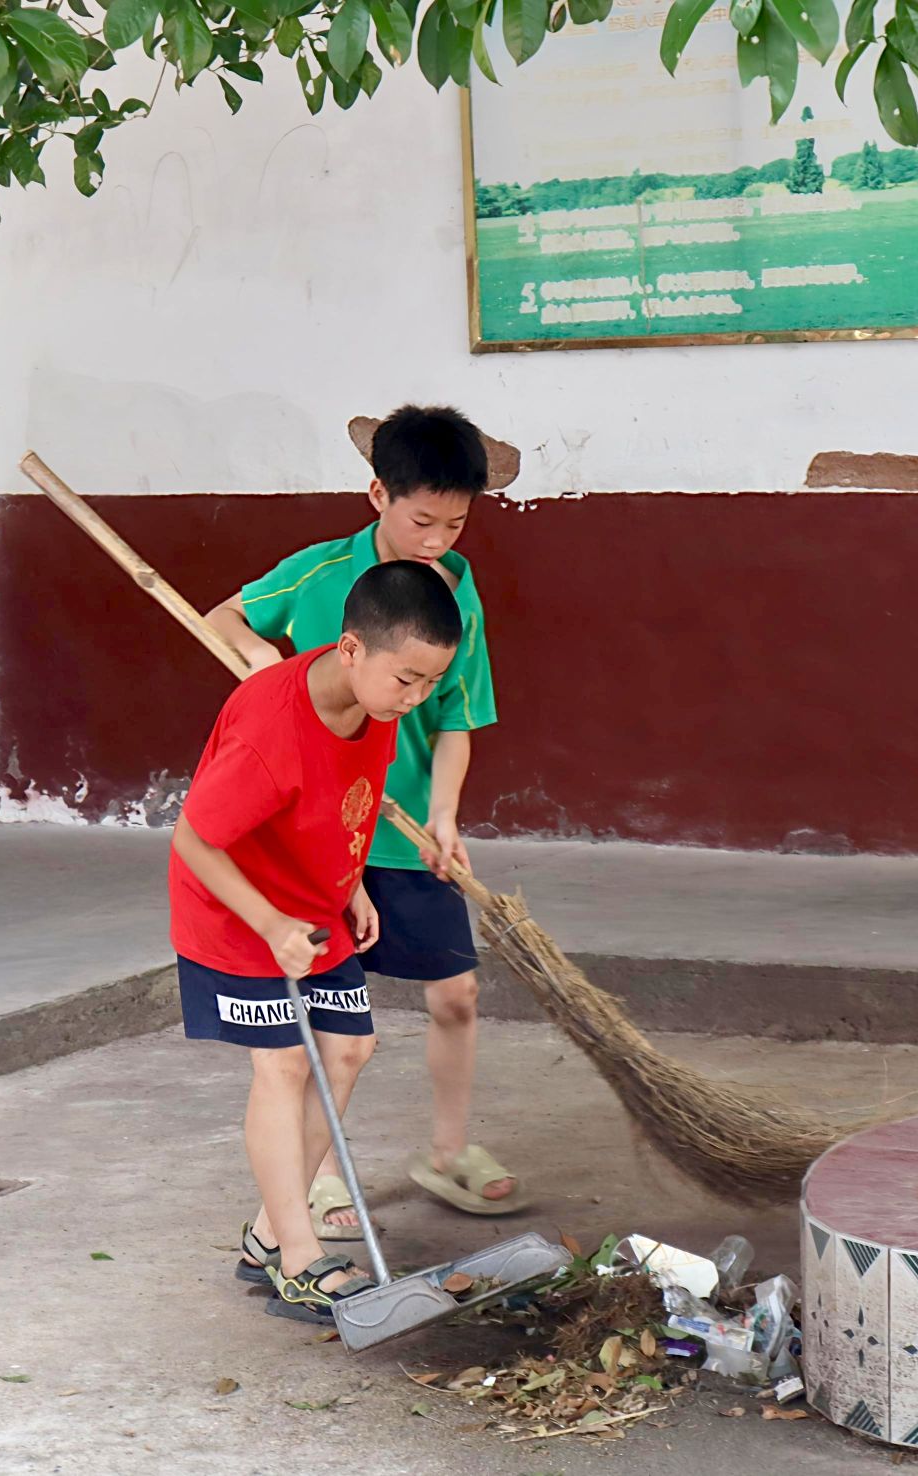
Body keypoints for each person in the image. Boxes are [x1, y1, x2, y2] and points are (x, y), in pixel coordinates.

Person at [206, 404, 524, 1234]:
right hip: (316, 836)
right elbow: (223, 617)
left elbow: (457, 716)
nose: (437, 540)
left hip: (406, 825)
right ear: (377, 493)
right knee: (331, 1027)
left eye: (455, 523)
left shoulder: (457, 591)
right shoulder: (319, 577)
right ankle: (315, 1179)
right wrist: (254, 654)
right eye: (422, 520)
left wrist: (447, 818)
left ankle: (448, 1152)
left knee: (455, 992)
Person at [170, 560, 462, 1323]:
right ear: (352, 649)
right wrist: (269, 924)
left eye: (431, 682)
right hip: (238, 912)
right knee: (285, 1062)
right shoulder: (273, 729)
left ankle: (271, 1233)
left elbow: (344, 802)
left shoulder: (378, 708)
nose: (417, 698)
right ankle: (300, 1259)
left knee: (349, 1048)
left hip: (312, 900)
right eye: (408, 679)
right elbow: (195, 838)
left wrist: (353, 881)